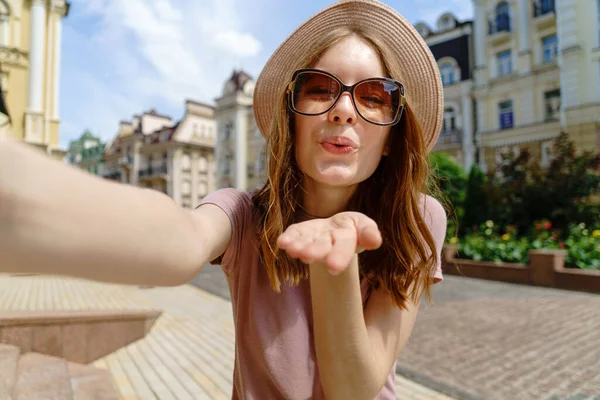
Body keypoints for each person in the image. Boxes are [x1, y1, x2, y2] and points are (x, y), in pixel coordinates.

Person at [0, 0, 448, 398]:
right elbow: (182, 240)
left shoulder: (418, 218)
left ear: (392, 136)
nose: (344, 108)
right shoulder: (242, 213)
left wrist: (337, 257)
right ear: (291, 123)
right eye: (318, 88)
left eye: (374, 96)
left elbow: (353, 390)